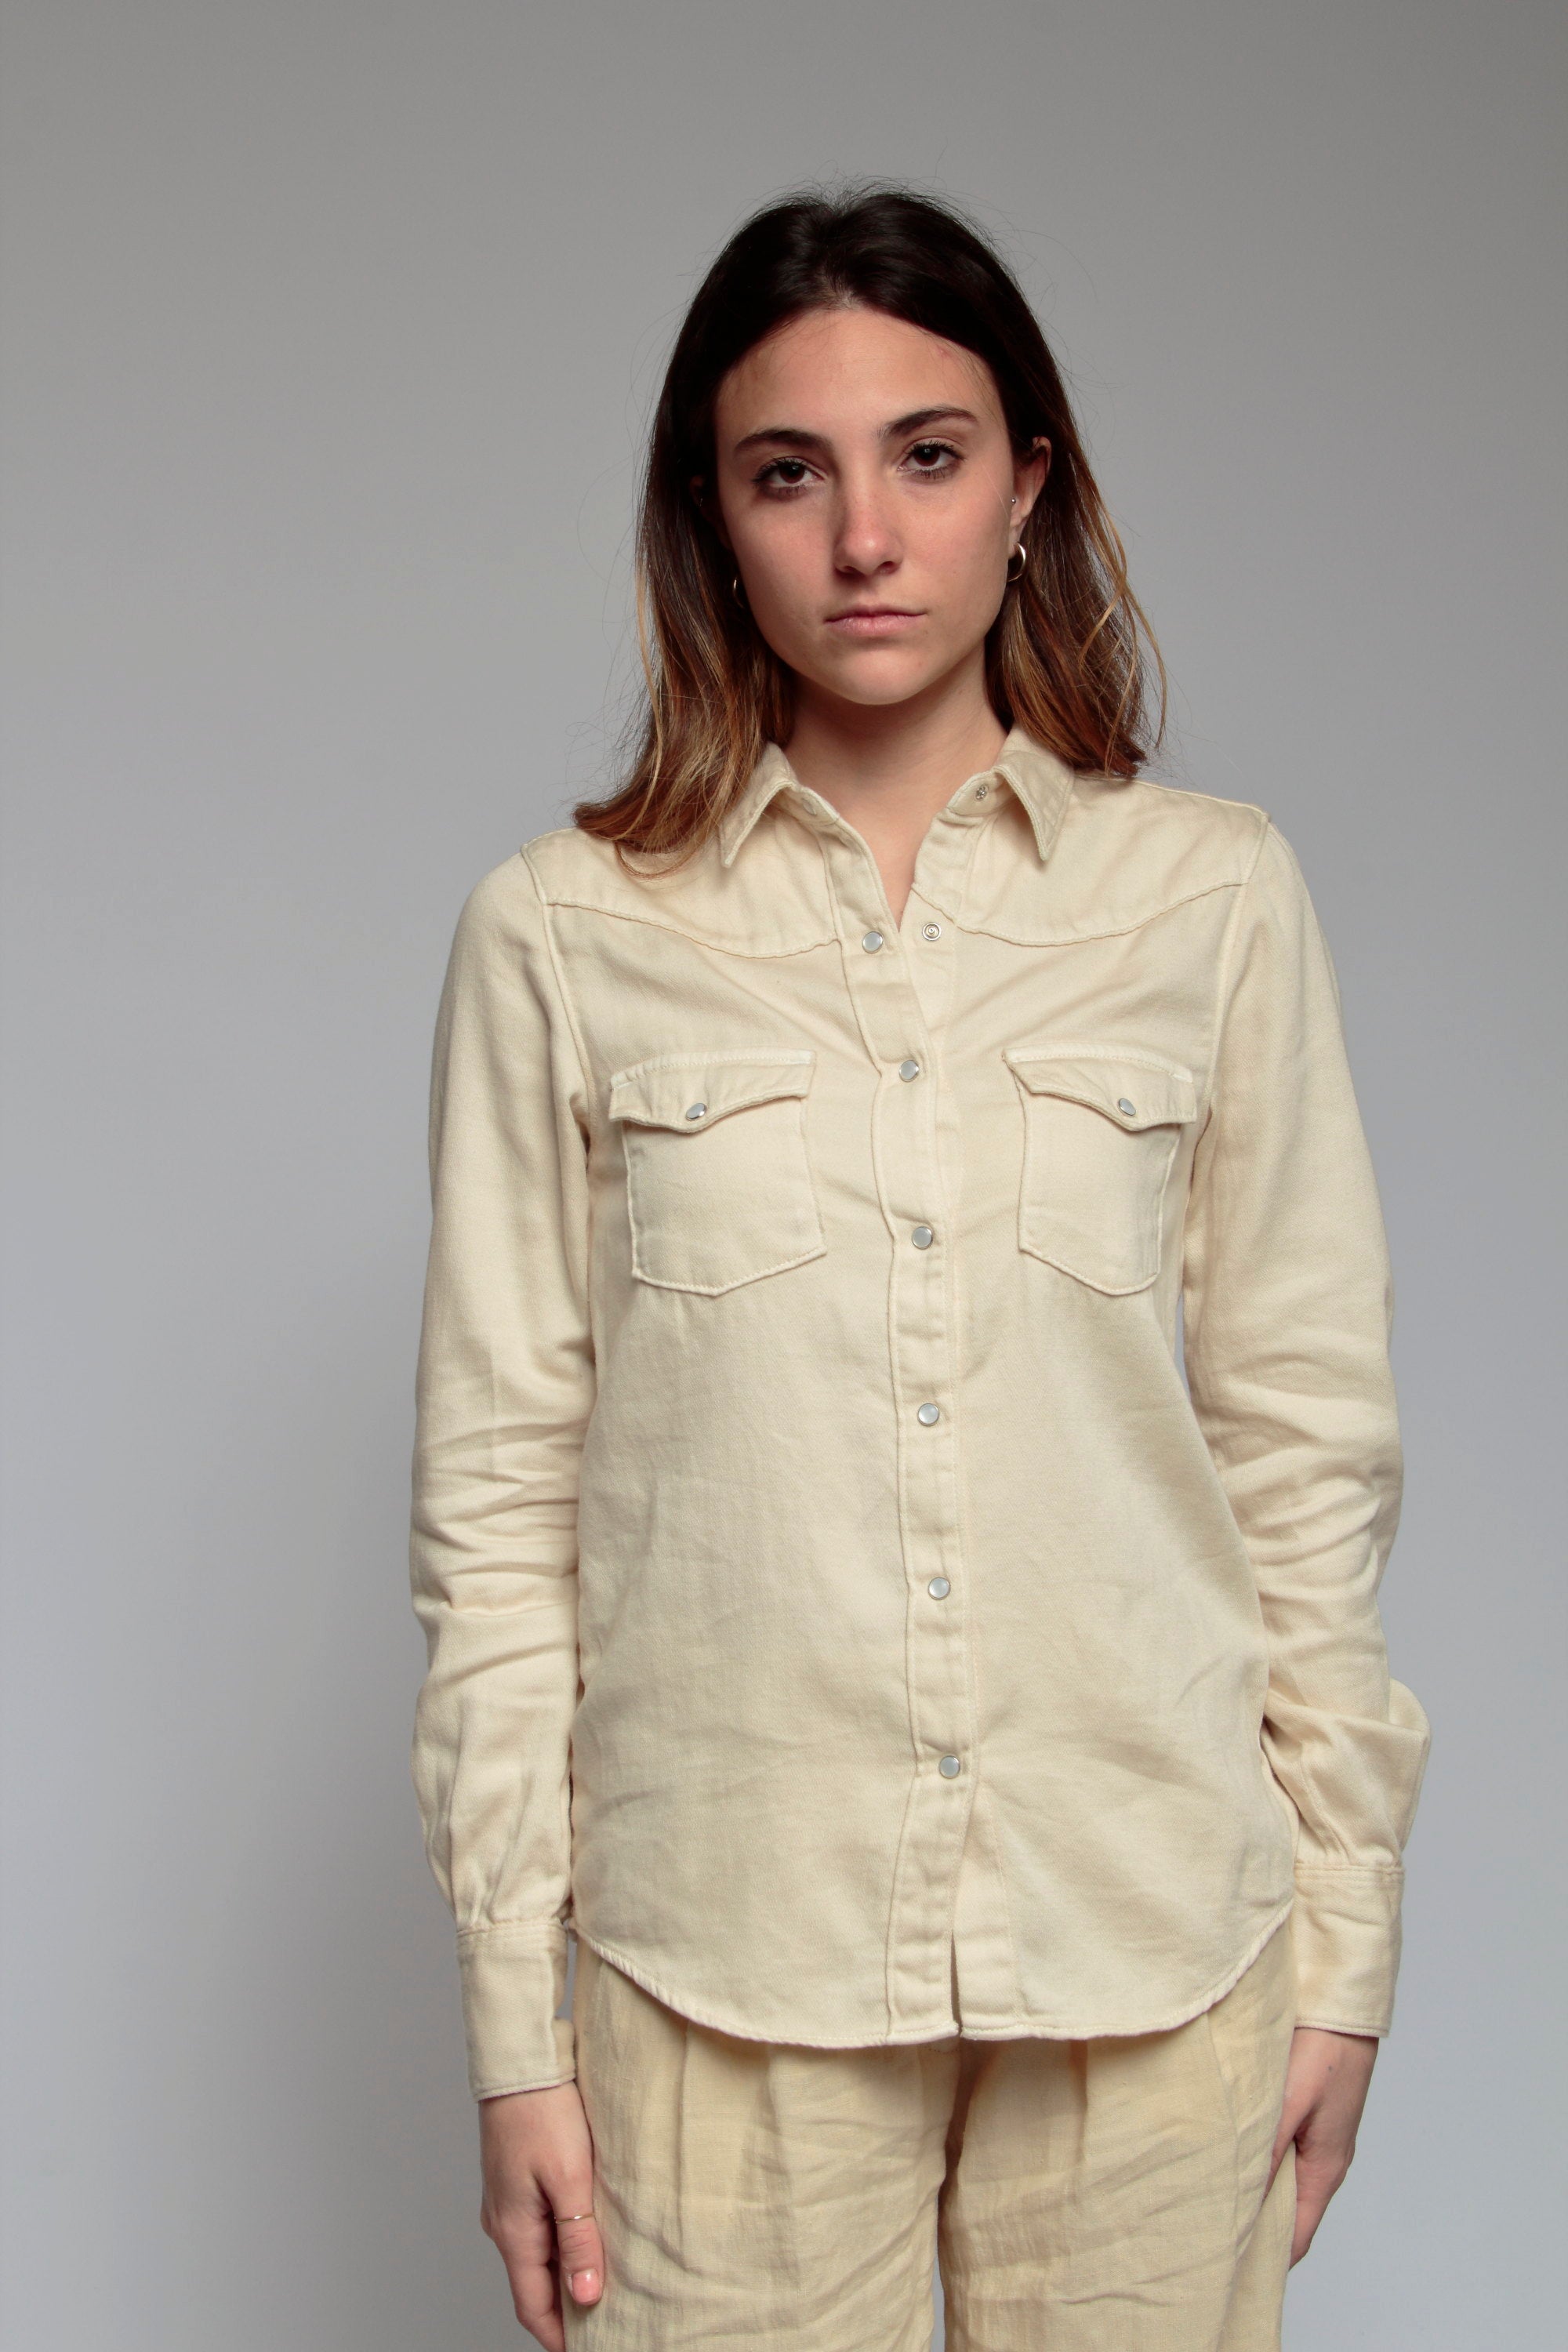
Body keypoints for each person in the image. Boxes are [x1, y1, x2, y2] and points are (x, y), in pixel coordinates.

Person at [406, 183, 1432, 2351]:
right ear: (714, 519)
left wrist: (1347, 1943)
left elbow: (1305, 1452)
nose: (866, 538)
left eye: (930, 456)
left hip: (1157, 1949)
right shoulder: (562, 936)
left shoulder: (1211, 901)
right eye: (790, 473)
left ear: (1029, 487)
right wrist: (514, 2022)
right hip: (718, 1971)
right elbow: (498, 1509)